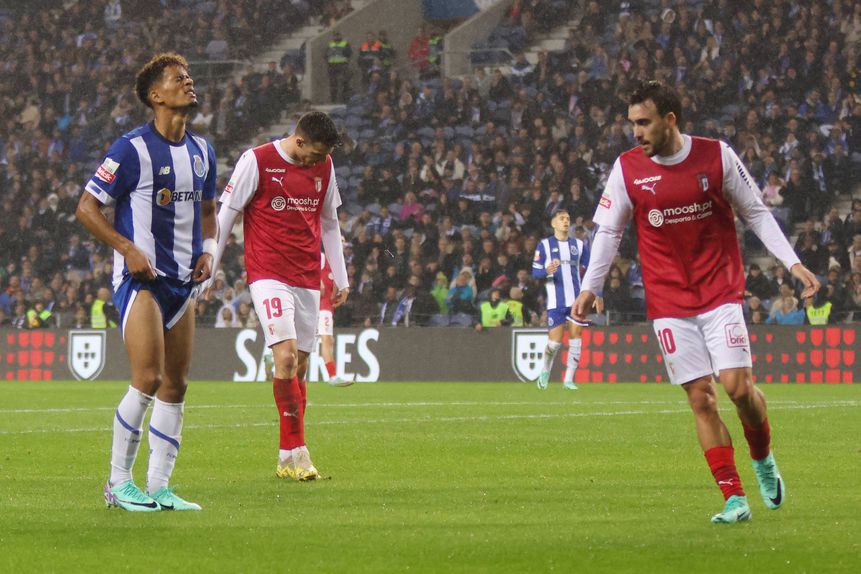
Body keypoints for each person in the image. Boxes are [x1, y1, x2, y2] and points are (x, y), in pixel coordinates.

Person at [573, 81, 820, 524]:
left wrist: (793, 262)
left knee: (737, 389)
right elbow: (609, 231)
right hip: (668, 300)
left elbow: (755, 211)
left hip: (719, 290)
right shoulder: (627, 168)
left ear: (670, 120)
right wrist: (591, 286)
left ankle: (762, 458)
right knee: (701, 399)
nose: (636, 132)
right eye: (632, 123)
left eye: (644, 122)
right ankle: (734, 498)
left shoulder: (716, 156)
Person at [76, 53, 217, 512]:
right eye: (179, 78)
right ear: (156, 95)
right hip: (142, 280)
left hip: (183, 283)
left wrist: (208, 251)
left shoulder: (202, 152)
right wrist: (127, 248)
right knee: (148, 378)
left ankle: (159, 487)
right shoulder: (130, 149)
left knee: (176, 385)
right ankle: (118, 483)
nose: (189, 82)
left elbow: (209, 213)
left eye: (189, 77)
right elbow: (86, 207)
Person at [212, 111, 348, 481]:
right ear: (299, 140)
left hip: (307, 276)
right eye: (315, 154)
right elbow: (227, 215)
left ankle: (286, 455)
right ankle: (300, 451)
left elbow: (329, 221)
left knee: (299, 367)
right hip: (268, 274)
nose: (318, 162)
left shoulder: (324, 165)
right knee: (285, 357)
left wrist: (339, 275)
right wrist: (211, 264)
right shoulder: (257, 161)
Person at [532, 208, 599, 390]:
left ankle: (568, 380)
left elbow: (592, 270)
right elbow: (535, 273)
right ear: (553, 223)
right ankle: (545, 371)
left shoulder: (579, 245)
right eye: (561, 218)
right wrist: (546, 271)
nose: (565, 221)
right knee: (554, 343)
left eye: (568, 218)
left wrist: (595, 293)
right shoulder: (544, 245)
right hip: (556, 301)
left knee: (576, 338)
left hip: (577, 301)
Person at [319, 252, 351, 386]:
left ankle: (273, 357)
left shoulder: (338, 265)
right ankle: (332, 376)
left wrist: (336, 293)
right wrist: (318, 282)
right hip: (321, 308)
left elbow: (334, 290)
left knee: (328, 340)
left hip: (326, 307)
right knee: (327, 340)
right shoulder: (322, 257)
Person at [327, 31, 352, 103]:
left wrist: (346, 62)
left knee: (345, 83)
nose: (337, 37)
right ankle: (333, 100)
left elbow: (349, 53)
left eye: (338, 35)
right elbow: (325, 54)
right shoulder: (330, 44)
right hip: (332, 66)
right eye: (335, 35)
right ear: (333, 36)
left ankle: (345, 99)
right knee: (333, 84)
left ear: (341, 36)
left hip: (342, 65)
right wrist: (328, 62)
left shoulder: (345, 43)